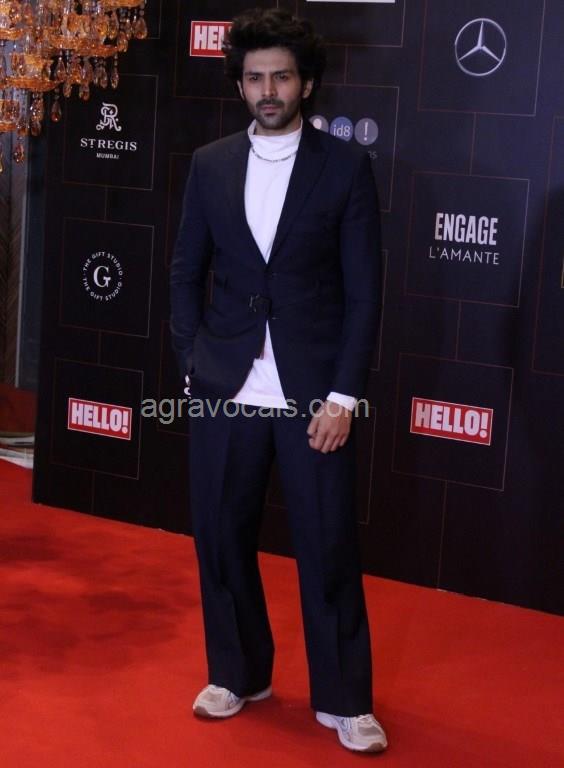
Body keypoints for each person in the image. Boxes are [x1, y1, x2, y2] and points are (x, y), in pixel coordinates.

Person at [169, 7, 386, 754]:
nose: (268, 90)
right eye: (256, 77)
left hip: (312, 392)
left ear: (307, 83)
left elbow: (364, 294)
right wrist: (192, 361)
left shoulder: (345, 167)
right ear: (240, 84)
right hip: (225, 385)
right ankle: (238, 674)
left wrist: (344, 395)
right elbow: (184, 272)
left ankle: (346, 700)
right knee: (220, 538)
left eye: (282, 77)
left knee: (328, 546)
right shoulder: (210, 164)